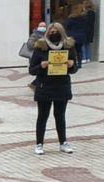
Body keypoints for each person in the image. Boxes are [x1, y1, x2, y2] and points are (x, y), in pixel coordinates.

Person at [29, 22, 79, 155]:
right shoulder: (41, 46)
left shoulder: (68, 46)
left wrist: (71, 64)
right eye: (51, 31)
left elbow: (75, 68)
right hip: (44, 86)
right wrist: (41, 66)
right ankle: (39, 143)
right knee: (42, 116)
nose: (53, 33)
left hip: (62, 86)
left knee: (60, 116)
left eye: (56, 31)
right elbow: (31, 70)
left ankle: (63, 142)